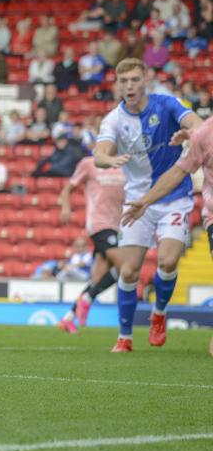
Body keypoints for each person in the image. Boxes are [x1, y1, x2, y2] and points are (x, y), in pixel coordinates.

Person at [94, 57, 203, 353]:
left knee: (167, 262)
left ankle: (159, 313)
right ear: (118, 85)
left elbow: (198, 124)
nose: (129, 86)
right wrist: (109, 159)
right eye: (124, 81)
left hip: (174, 196)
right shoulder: (114, 119)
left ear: (145, 80)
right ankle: (125, 336)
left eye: (134, 80)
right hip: (136, 201)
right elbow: (99, 153)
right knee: (129, 271)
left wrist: (191, 132)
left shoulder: (167, 104)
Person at [121, 115, 213, 355]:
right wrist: (145, 201)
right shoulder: (204, 134)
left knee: (169, 261)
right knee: (143, 266)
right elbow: (177, 173)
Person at [56, 156, 126, 333]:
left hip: (119, 226)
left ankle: (68, 318)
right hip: (100, 224)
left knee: (97, 279)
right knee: (126, 267)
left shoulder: (126, 163)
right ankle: (88, 298)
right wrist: (65, 207)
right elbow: (68, 189)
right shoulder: (89, 163)